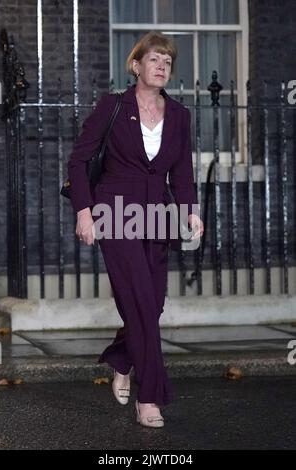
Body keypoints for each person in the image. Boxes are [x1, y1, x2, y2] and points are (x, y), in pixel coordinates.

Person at [67, 31, 204, 428]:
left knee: (154, 303)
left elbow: (182, 171)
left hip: (157, 216)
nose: (162, 67)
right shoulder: (112, 105)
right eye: (155, 60)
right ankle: (150, 397)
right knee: (142, 301)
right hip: (115, 213)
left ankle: (121, 358)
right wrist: (84, 212)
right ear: (136, 65)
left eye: (167, 62)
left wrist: (190, 211)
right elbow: (78, 162)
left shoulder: (179, 114)